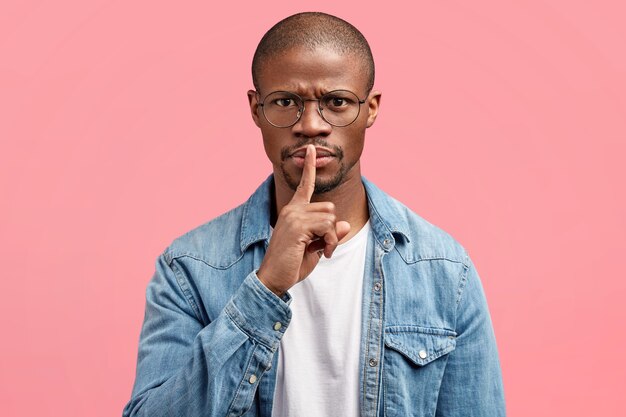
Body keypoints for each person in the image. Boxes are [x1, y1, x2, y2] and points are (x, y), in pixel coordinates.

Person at [122, 12, 505, 417]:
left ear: (370, 108)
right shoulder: (190, 270)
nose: (310, 125)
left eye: (336, 102)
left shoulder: (444, 271)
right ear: (256, 109)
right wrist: (265, 288)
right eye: (285, 102)